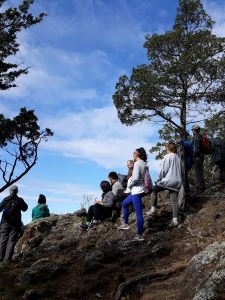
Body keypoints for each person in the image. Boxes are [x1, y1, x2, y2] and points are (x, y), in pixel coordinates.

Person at [147, 142, 181, 227]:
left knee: (153, 190)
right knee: (174, 200)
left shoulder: (168, 156)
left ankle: (153, 208)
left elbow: (163, 170)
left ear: (168, 148)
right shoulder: (178, 158)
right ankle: (175, 219)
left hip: (168, 180)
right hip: (177, 181)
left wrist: (158, 179)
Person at [117, 147, 148, 241]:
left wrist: (129, 185)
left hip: (136, 191)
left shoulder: (137, 164)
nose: (132, 155)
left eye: (133, 153)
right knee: (124, 203)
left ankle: (139, 235)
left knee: (139, 213)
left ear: (137, 154)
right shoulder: (144, 163)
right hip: (141, 189)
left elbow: (136, 179)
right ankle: (125, 224)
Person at [0, 185, 28, 262]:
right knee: (11, 241)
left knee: (3, 240)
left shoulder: (5, 199)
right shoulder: (19, 200)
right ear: (17, 191)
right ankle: (7, 259)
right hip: (15, 224)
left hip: (5, 223)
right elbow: (25, 208)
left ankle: (0, 258)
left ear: (10, 191)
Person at [192, 124, 205, 192]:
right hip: (201, 156)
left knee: (198, 172)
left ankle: (200, 187)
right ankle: (201, 186)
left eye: (193, 130)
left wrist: (193, 156)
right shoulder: (200, 136)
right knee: (200, 171)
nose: (192, 132)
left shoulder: (196, 137)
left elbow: (196, 148)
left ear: (194, 130)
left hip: (197, 157)